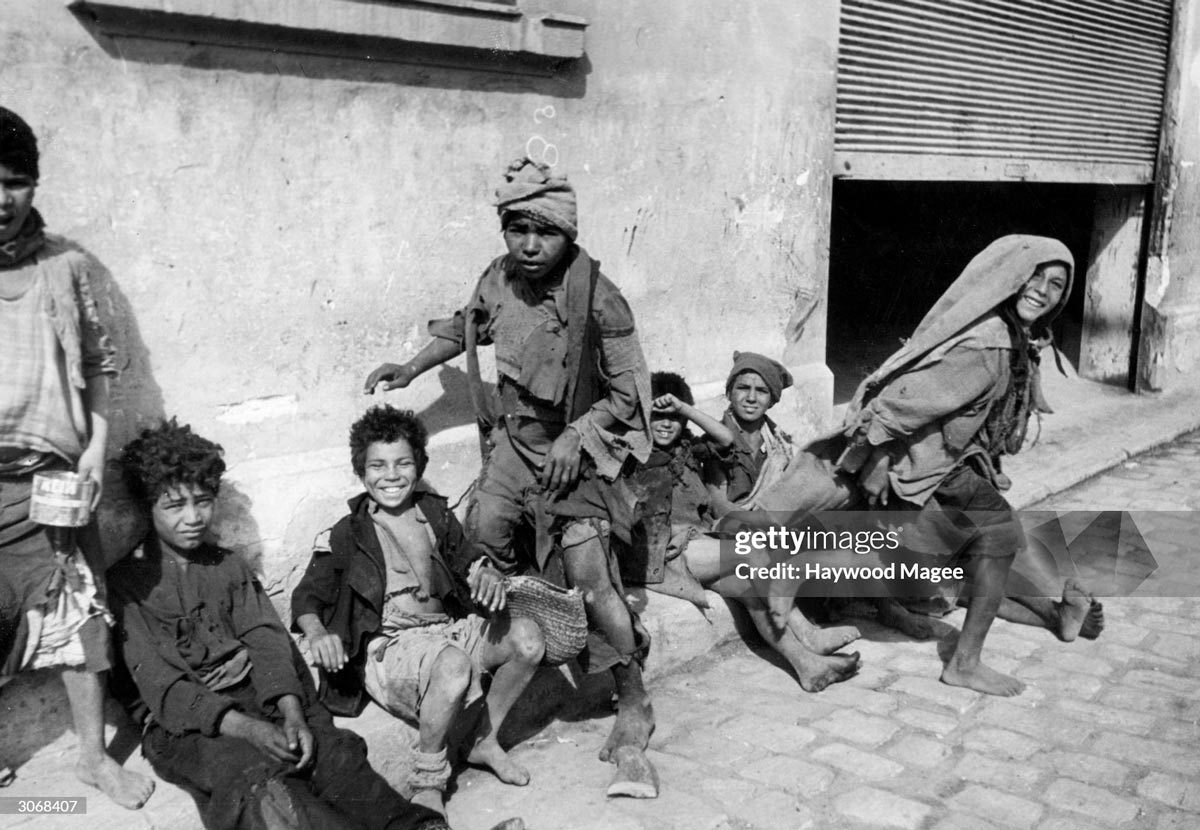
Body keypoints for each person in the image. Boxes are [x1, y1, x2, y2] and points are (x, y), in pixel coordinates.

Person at [364, 158, 658, 794]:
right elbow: (465, 326)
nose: (529, 245)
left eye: (544, 232)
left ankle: (631, 691)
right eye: (516, 229)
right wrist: (411, 368)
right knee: (485, 539)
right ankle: (509, 662)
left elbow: (633, 392)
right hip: (513, 444)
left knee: (590, 577)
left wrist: (579, 435)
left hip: (576, 451)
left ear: (568, 234)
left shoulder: (597, 296)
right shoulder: (498, 278)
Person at [109, 419, 522, 830]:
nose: (193, 517)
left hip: (259, 697)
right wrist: (251, 730)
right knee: (261, 784)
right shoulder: (130, 584)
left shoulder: (227, 566)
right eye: (174, 506)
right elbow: (167, 689)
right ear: (149, 507)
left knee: (335, 758)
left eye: (202, 501)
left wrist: (291, 712)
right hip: (189, 725)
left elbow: (266, 640)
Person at [838, 234, 1082, 696]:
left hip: (944, 463)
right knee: (998, 539)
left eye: (1055, 284)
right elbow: (901, 400)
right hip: (924, 468)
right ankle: (964, 663)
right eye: (1034, 276)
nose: (1042, 290)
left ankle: (1054, 615)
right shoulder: (987, 343)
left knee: (986, 553)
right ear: (1008, 277)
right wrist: (875, 457)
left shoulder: (1011, 336)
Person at [0, 106, 154, 809]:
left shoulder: (64, 267)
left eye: (15, 181)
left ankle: (93, 759)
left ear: (34, 185)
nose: (1, 199)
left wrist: (94, 452)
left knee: (80, 625)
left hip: (51, 482)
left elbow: (97, 366)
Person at [291, 405, 544, 815]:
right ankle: (428, 781)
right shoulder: (347, 532)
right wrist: (319, 634)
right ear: (361, 471)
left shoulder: (433, 512)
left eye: (402, 463)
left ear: (418, 464)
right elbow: (306, 597)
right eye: (378, 465)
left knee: (528, 639)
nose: (391, 475)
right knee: (454, 665)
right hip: (391, 647)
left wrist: (486, 574)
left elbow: (468, 560)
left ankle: (484, 739)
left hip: (446, 631)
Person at [620, 372, 860, 692]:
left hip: (694, 546)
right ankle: (807, 634)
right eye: (656, 416)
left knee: (749, 587)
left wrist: (684, 408)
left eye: (674, 417)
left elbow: (725, 439)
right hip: (657, 553)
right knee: (753, 551)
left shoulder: (687, 450)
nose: (665, 424)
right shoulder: (632, 453)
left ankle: (807, 664)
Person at [704, 352, 797, 516]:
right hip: (729, 528)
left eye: (761, 391)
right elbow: (718, 505)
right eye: (743, 388)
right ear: (729, 393)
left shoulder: (779, 444)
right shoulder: (717, 441)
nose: (751, 398)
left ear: (772, 400)